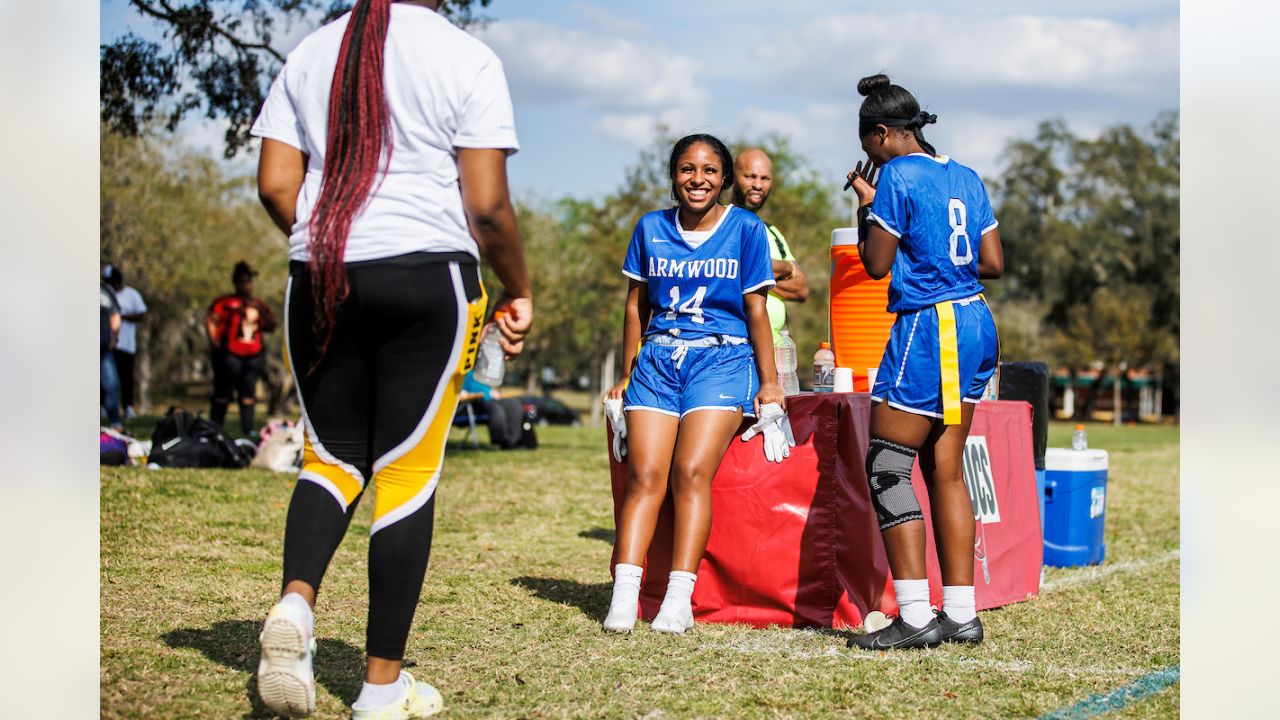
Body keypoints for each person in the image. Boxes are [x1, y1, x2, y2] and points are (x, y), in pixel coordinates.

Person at [250, 0, 532, 717]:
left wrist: (334, 248)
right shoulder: (463, 56)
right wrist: (518, 287)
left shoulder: (310, 50)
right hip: (424, 276)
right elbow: (489, 206)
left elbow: (276, 184)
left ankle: (296, 603)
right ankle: (380, 689)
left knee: (333, 458)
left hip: (318, 273)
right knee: (406, 472)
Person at [602, 133, 788, 635]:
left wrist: (769, 383)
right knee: (645, 477)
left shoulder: (747, 229)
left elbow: (755, 312)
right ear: (673, 175)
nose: (698, 179)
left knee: (689, 472)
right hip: (658, 359)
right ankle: (625, 593)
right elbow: (634, 305)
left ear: (724, 178)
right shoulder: (649, 227)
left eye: (709, 171)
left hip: (722, 360)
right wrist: (627, 371)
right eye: (687, 169)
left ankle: (679, 599)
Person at [843, 74, 1004, 650]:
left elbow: (876, 264)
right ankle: (961, 613)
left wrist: (869, 209)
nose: (868, 156)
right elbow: (993, 262)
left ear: (883, 133)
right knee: (945, 468)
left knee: (888, 466)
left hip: (929, 325)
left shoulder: (895, 177)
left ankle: (913, 616)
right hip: (976, 321)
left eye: (868, 145)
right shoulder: (966, 174)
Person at [731, 148, 809, 343]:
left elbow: (801, 289)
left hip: (776, 352)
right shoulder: (719, 224)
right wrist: (784, 268)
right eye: (750, 176)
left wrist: (753, 274)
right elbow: (730, 270)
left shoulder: (772, 232)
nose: (758, 184)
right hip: (736, 353)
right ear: (732, 177)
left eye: (765, 178)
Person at [205, 261, 277, 438]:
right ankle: (215, 427)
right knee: (222, 391)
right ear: (236, 282)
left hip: (253, 355)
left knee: (248, 391)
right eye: (244, 281)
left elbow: (271, 324)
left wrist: (263, 315)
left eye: (249, 281)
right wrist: (214, 340)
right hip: (229, 355)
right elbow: (211, 320)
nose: (247, 285)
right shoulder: (225, 303)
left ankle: (248, 428)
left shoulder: (258, 304)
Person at [104, 264, 148, 419]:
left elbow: (142, 315)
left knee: (125, 378)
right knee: (106, 379)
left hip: (126, 344)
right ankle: (103, 407)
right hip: (107, 344)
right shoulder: (104, 294)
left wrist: (121, 316)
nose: (109, 285)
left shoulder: (131, 294)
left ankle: (127, 407)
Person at [457, 370, 528, 450]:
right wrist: (487, 393)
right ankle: (501, 440)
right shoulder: (463, 373)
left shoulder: (481, 374)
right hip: (473, 404)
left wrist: (492, 392)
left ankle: (513, 441)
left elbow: (488, 390)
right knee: (496, 408)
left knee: (514, 404)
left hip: (490, 400)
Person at [100, 276, 123, 430]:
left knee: (111, 384)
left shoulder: (105, 290)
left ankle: (115, 423)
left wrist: (114, 337)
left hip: (103, 347)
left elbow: (115, 315)